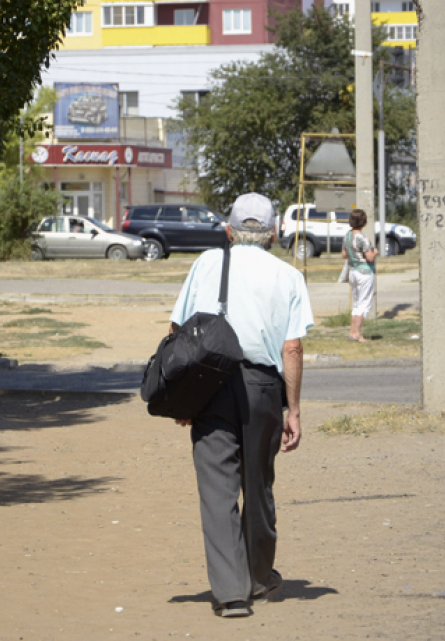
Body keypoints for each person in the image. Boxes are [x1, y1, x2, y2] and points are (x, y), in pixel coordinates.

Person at [169, 193, 314, 618]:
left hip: (209, 384)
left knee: (217, 490)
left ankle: (231, 594)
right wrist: (294, 410)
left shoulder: (206, 264)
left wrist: (184, 395)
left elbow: (178, 329)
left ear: (228, 230)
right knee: (258, 487)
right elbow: (292, 349)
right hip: (262, 387)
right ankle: (258, 578)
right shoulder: (289, 276)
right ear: (273, 235)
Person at [342, 208, 377, 342]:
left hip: (353, 271)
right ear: (364, 222)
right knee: (364, 304)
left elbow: (344, 254)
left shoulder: (348, 236)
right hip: (364, 272)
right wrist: (375, 252)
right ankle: (357, 334)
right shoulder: (362, 237)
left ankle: (352, 332)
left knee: (356, 303)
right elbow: (369, 257)